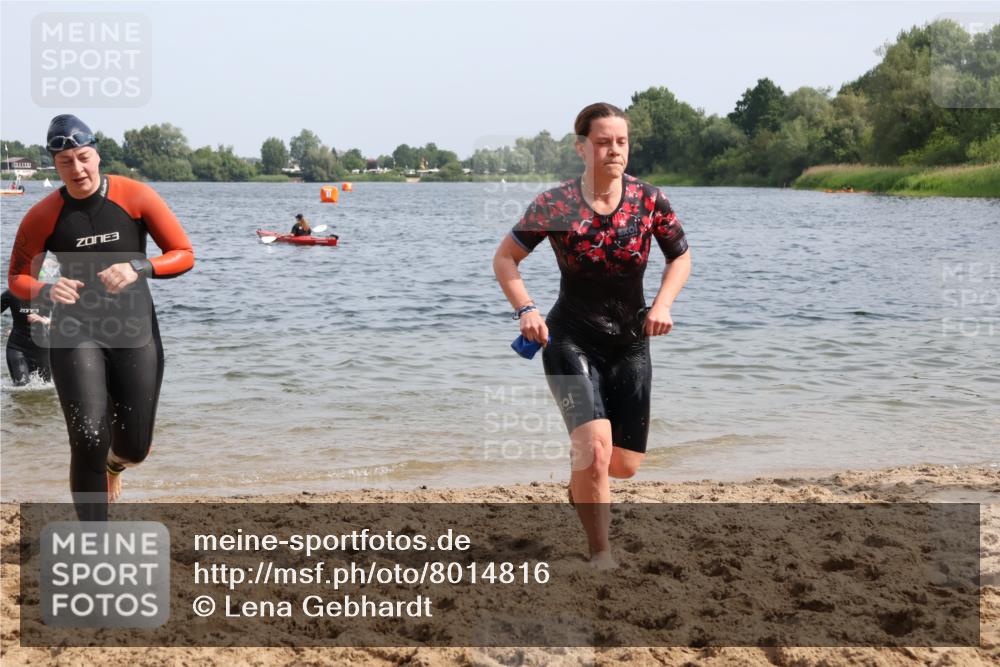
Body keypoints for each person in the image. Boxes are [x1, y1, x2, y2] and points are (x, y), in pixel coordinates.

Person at [492, 102, 692, 569]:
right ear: (581, 147)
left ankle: (580, 483)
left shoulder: (649, 201)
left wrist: (663, 304)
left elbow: (680, 256)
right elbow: (505, 259)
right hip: (570, 339)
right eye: (603, 142)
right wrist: (526, 309)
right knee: (596, 453)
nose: (614, 150)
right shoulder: (557, 204)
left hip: (630, 342)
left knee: (623, 465)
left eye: (621, 141)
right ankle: (601, 552)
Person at [7, 114, 195, 520]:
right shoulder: (43, 215)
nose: (77, 169)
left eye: (83, 158)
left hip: (134, 329)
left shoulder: (135, 196)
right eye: (65, 162)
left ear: (97, 155)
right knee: (88, 437)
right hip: (74, 330)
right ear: (55, 166)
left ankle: (114, 465)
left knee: (134, 448)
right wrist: (45, 290)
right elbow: (17, 277)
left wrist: (139, 267)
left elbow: (183, 254)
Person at [1, 288, 52, 385]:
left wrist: (47, 321)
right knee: (21, 386)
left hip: (42, 349)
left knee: (45, 387)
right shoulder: (11, 294)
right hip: (16, 347)